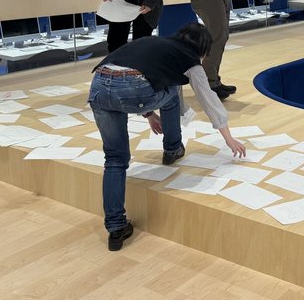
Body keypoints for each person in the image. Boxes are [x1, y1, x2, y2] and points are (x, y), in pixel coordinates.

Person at [88, 23, 246, 251]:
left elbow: (125, 76)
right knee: (173, 93)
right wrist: (228, 138)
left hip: (99, 85)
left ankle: (116, 227)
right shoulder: (190, 59)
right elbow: (207, 98)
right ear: (202, 49)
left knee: (114, 160)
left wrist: (150, 114)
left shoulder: (153, 42)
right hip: (134, 88)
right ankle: (172, 148)